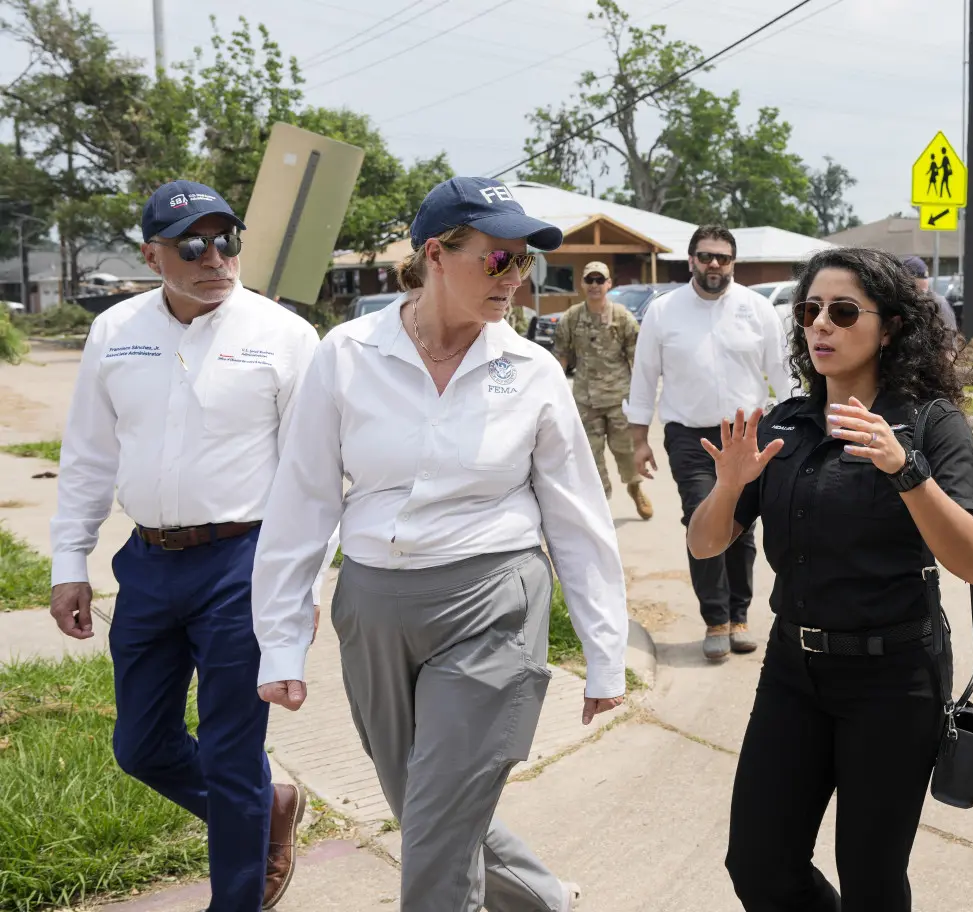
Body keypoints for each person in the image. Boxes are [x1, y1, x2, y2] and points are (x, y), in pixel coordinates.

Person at [250, 176, 629, 912]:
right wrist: (281, 639)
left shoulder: (532, 370)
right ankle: (546, 901)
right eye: (499, 259)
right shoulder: (348, 354)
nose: (516, 280)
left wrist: (603, 650)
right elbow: (302, 501)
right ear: (436, 254)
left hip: (493, 602)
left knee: (436, 824)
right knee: (428, 808)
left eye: (526, 265)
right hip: (375, 608)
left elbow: (578, 518)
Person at [48, 180, 335, 911]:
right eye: (193, 246)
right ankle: (266, 811)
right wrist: (67, 561)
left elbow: (316, 478)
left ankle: (234, 896)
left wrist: (303, 586)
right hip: (146, 564)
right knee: (140, 747)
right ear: (151, 255)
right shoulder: (115, 331)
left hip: (245, 564)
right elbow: (88, 453)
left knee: (232, 752)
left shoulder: (284, 337)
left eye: (226, 240)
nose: (216, 259)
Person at [686, 247, 973, 911]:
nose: (821, 324)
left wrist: (905, 468)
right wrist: (731, 486)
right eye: (811, 311)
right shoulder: (786, 424)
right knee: (759, 865)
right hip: (794, 670)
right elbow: (705, 541)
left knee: (872, 880)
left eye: (844, 311)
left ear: (889, 329)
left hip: (895, 677)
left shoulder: (929, 424)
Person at [625, 225, 795, 659]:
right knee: (701, 519)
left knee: (741, 526)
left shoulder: (758, 310)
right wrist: (639, 440)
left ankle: (739, 616)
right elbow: (644, 377)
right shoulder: (664, 312)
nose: (714, 264)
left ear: (733, 262)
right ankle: (715, 619)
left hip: (747, 434)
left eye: (722, 257)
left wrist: (799, 428)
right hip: (690, 438)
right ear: (691, 261)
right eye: (705, 256)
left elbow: (782, 376)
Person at [552, 260, 653, 519]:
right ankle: (601, 505)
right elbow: (561, 356)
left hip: (620, 399)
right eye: (590, 280)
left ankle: (634, 488)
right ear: (582, 284)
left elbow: (638, 359)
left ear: (609, 283)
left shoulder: (622, 317)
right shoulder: (571, 318)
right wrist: (554, 392)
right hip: (586, 401)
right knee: (590, 457)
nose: (595, 285)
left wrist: (642, 400)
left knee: (626, 451)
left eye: (600, 280)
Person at [900, 255, 958, 337]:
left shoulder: (938, 304)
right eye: (915, 288)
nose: (923, 293)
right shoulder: (899, 301)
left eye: (925, 282)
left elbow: (948, 340)